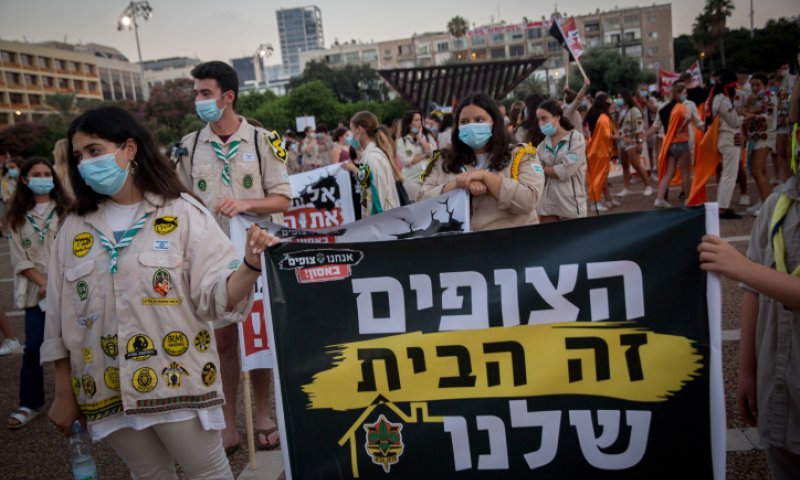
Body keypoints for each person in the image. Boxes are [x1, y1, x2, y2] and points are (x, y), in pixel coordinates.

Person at [42, 106, 279, 479]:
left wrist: (249, 265)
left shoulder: (183, 212)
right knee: (149, 474)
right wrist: (63, 392)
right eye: (78, 156)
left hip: (177, 380)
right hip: (104, 386)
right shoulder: (72, 227)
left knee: (209, 473)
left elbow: (217, 296)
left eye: (94, 150)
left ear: (130, 149)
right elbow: (58, 315)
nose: (85, 163)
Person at [176, 61, 290, 454]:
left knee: (259, 337)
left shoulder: (263, 141)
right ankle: (226, 421)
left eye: (205, 93)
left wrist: (247, 203)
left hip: (258, 253)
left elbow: (283, 198)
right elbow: (180, 202)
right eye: (196, 94)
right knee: (222, 341)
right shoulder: (188, 146)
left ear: (228, 97)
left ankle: (262, 413)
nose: (199, 101)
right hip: (210, 258)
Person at [698, 175, 800, 479]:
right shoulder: (779, 202)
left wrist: (742, 267)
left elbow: (750, 272)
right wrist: (747, 371)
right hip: (777, 390)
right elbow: (752, 291)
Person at [4, 156, 70, 429]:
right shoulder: (17, 217)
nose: (43, 178)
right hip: (37, 295)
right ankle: (30, 403)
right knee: (33, 349)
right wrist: (43, 282)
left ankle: (88, 397)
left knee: (78, 346)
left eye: (47, 173)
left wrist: (56, 281)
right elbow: (20, 259)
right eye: (37, 174)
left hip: (69, 291)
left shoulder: (67, 210)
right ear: (24, 180)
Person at [417, 92, 544, 231]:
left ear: (494, 122)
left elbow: (528, 200)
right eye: (464, 122)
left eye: (479, 120)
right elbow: (421, 201)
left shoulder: (521, 154)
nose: (471, 126)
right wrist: (457, 184)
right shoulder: (442, 160)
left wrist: (486, 177)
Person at [534, 99, 587, 222]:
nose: (541, 123)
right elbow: (536, 173)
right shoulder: (541, 146)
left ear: (557, 117)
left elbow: (567, 170)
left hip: (570, 205)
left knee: (574, 240)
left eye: (544, 118)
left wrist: (542, 169)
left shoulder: (575, 139)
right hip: (547, 205)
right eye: (538, 119)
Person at [343, 111, 401, 216]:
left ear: (359, 129)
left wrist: (370, 224)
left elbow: (378, 199)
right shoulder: (368, 155)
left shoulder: (372, 158)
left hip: (381, 223)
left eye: (352, 131)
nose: (350, 137)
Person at [647, 82, 692, 208]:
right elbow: (689, 117)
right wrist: (682, 127)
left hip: (669, 145)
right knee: (686, 173)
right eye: (684, 93)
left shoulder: (663, 109)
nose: (685, 95)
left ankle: (660, 198)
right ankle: (688, 199)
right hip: (682, 143)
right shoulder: (681, 106)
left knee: (669, 172)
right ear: (677, 94)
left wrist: (644, 136)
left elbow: (655, 127)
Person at [744, 72, 779, 215]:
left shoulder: (769, 95)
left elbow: (769, 117)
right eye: (752, 85)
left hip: (764, 137)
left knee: (757, 170)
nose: (755, 87)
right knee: (761, 170)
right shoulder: (756, 97)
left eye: (758, 84)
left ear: (765, 84)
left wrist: (751, 116)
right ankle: (763, 200)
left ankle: (767, 205)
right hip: (755, 137)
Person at [713, 72, 745, 219]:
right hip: (729, 138)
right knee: (729, 176)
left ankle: (722, 205)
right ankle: (722, 208)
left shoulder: (716, 97)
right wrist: (744, 117)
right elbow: (735, 122)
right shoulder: (724, 100)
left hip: (724, 138)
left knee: (726, 174)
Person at [615, 90, 655, 197]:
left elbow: (639, 129)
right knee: (625, 165)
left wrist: (639, 143)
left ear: (626, 98)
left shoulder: (634, 110)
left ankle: (648, 186)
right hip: (623, 141)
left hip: (632, 142)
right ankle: (627, 187)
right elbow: (619, 127)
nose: (618, 99)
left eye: (620, 97)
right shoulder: (620, 110)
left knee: (637, 165)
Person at [584, 93, 616, 212]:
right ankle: (595, 203)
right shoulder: (603, 117)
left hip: (593, 150)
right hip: (600, 151)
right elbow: (606, 134)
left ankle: (598, 200)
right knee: (598, 178)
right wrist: (618, 136)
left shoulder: (593, 114)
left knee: (596, 177)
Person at [396, 110, 436, 200]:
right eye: (416, 120)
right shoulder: (402, 141)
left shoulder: (427, 137)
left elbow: (434, 153)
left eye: (421, 120)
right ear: (409, 123)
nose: (420, 123)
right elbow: (407, 162)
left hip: (429, 182)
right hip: (411, 181)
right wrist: (425, 155)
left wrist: (420, 138)